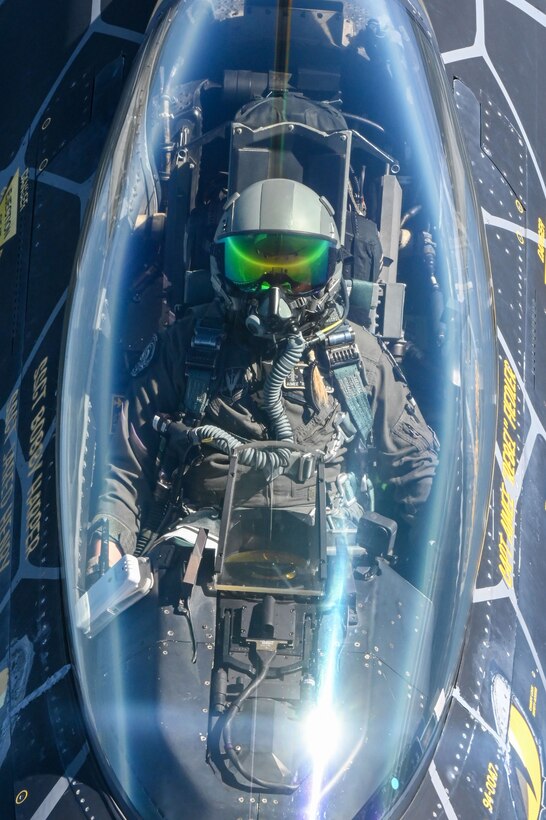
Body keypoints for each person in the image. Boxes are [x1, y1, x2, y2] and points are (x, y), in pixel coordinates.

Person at [87, 176, 439, 578]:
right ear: (221, 265)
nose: (275, 291)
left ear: (330, 270)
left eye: (298, 269)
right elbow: (123, 471)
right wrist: (108, 545)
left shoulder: (357, 358)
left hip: (333, 560)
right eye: (252, 266)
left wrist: (434, 554)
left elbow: (416, 468)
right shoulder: (183, 348)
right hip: (199, 556)